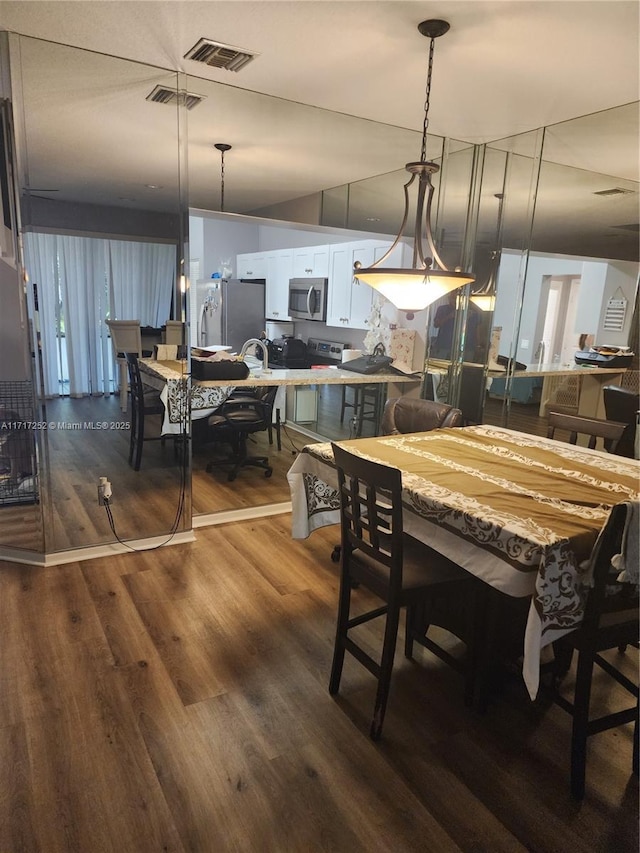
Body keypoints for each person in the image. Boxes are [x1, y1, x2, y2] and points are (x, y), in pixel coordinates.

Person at [432, 292, 479, 359]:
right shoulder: (442, 309)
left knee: (465, 368)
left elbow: (476, 330)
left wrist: (477, 346)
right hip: (444, 345)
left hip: (466, 346)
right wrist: (449, 316)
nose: (456, 300)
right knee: (440, 367)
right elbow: (436, 325)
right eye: (453, 298)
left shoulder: (471, 313)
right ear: (449, 298)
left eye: (458, 298)